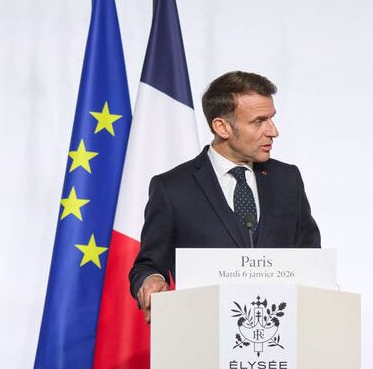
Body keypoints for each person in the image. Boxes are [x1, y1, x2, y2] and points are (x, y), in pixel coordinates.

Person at [129, 71, 321, 323]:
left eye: (271, 118)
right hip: (202, 332)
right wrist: (152, 280)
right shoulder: (172, 188)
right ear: (222, 127)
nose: (273, 131)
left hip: (278, 333)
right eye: (258, 121)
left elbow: (310, 258)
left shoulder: (288, 179)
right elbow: (148, 265)